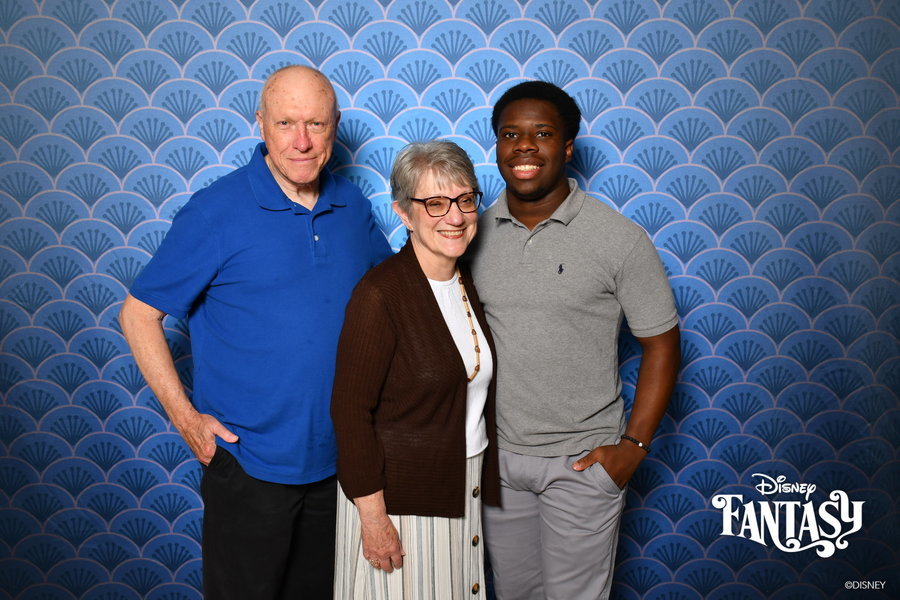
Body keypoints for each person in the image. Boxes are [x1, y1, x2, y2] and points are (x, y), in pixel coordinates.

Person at [119, 65, 392, 599]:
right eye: (287, 122)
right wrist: (187, 419)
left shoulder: (353, 206)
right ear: (261, 123)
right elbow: (138, 314)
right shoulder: (215, 211)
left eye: (316, 123)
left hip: (341, 467)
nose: (302, 141)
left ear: (335, 126)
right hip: (249, 465)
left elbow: (392, 302)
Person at [469, 80, 681, 599]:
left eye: (541, 133)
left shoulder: (618, 238)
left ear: (566, 147)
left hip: (581, 464)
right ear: (496, 146)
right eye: (510, 134)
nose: (523, 145)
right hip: (497, 461)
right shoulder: (469, 234)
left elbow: (663, 344)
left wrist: (631, 448)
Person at [330, 140, 500, 599]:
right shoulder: (380, 294)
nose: (456, 216)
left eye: (466, 200)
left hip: (463, 483)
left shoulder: (465, 282)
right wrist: (372, 517)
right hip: (400, 500)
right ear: (404, 213)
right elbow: (349, 413)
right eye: (436, 203)